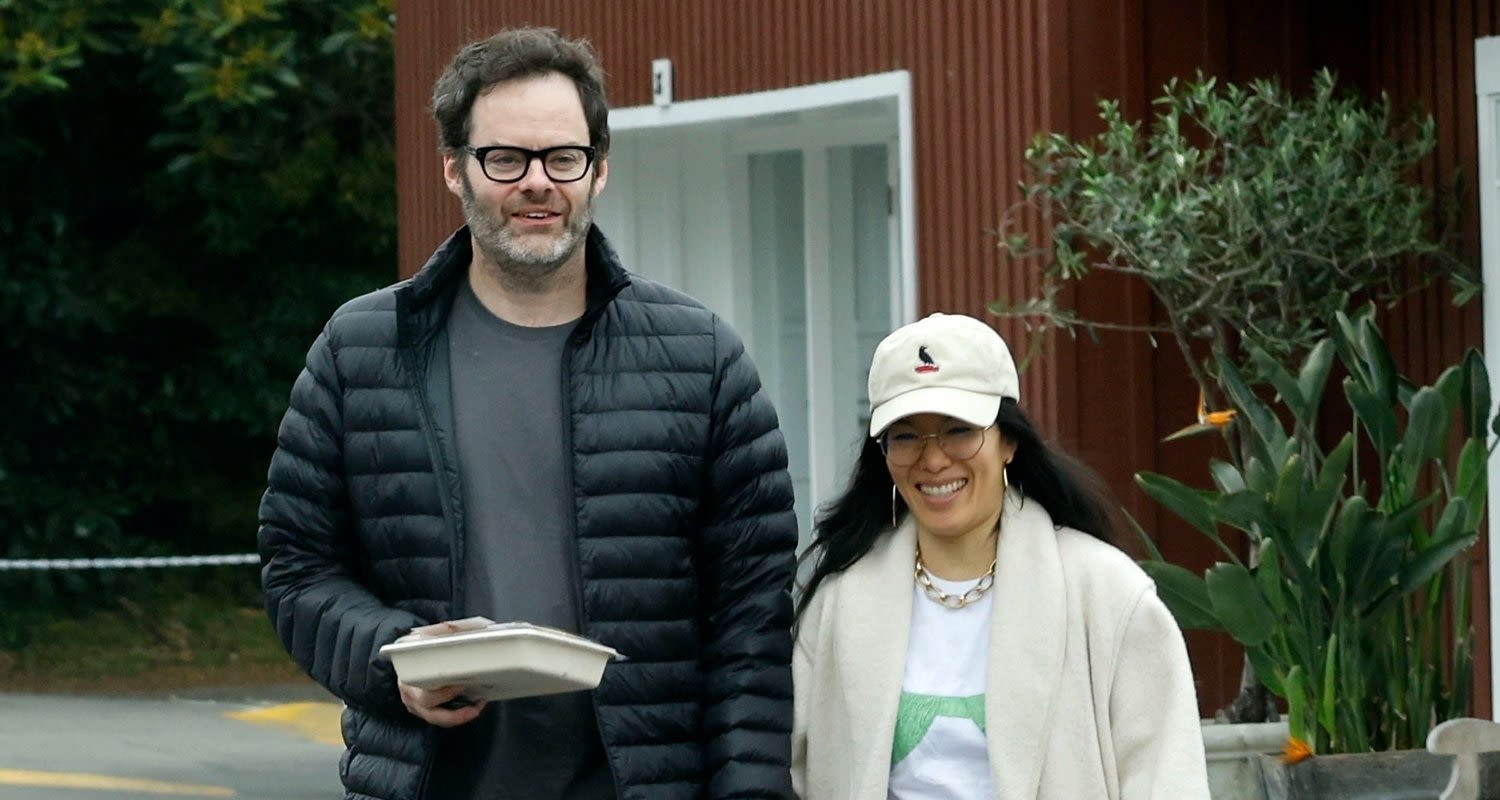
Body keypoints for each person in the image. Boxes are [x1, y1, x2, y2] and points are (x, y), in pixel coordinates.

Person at [258, 27, 799, 800]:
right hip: (429, 783)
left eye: (562, 158)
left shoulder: (700, 357)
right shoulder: (362, 351)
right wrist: (392, 658)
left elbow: (752, 614)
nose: (537, 182)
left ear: (599, 170)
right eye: (504, 158)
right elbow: (297, 565)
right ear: (455, 169)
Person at [790, 313, 1209, 799]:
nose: (933, 459)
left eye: (959, 430)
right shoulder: (838, 603)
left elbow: (1166, 779)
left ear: (1008, 440)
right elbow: (795, 773)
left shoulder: (1108, 595)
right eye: (905, 436)